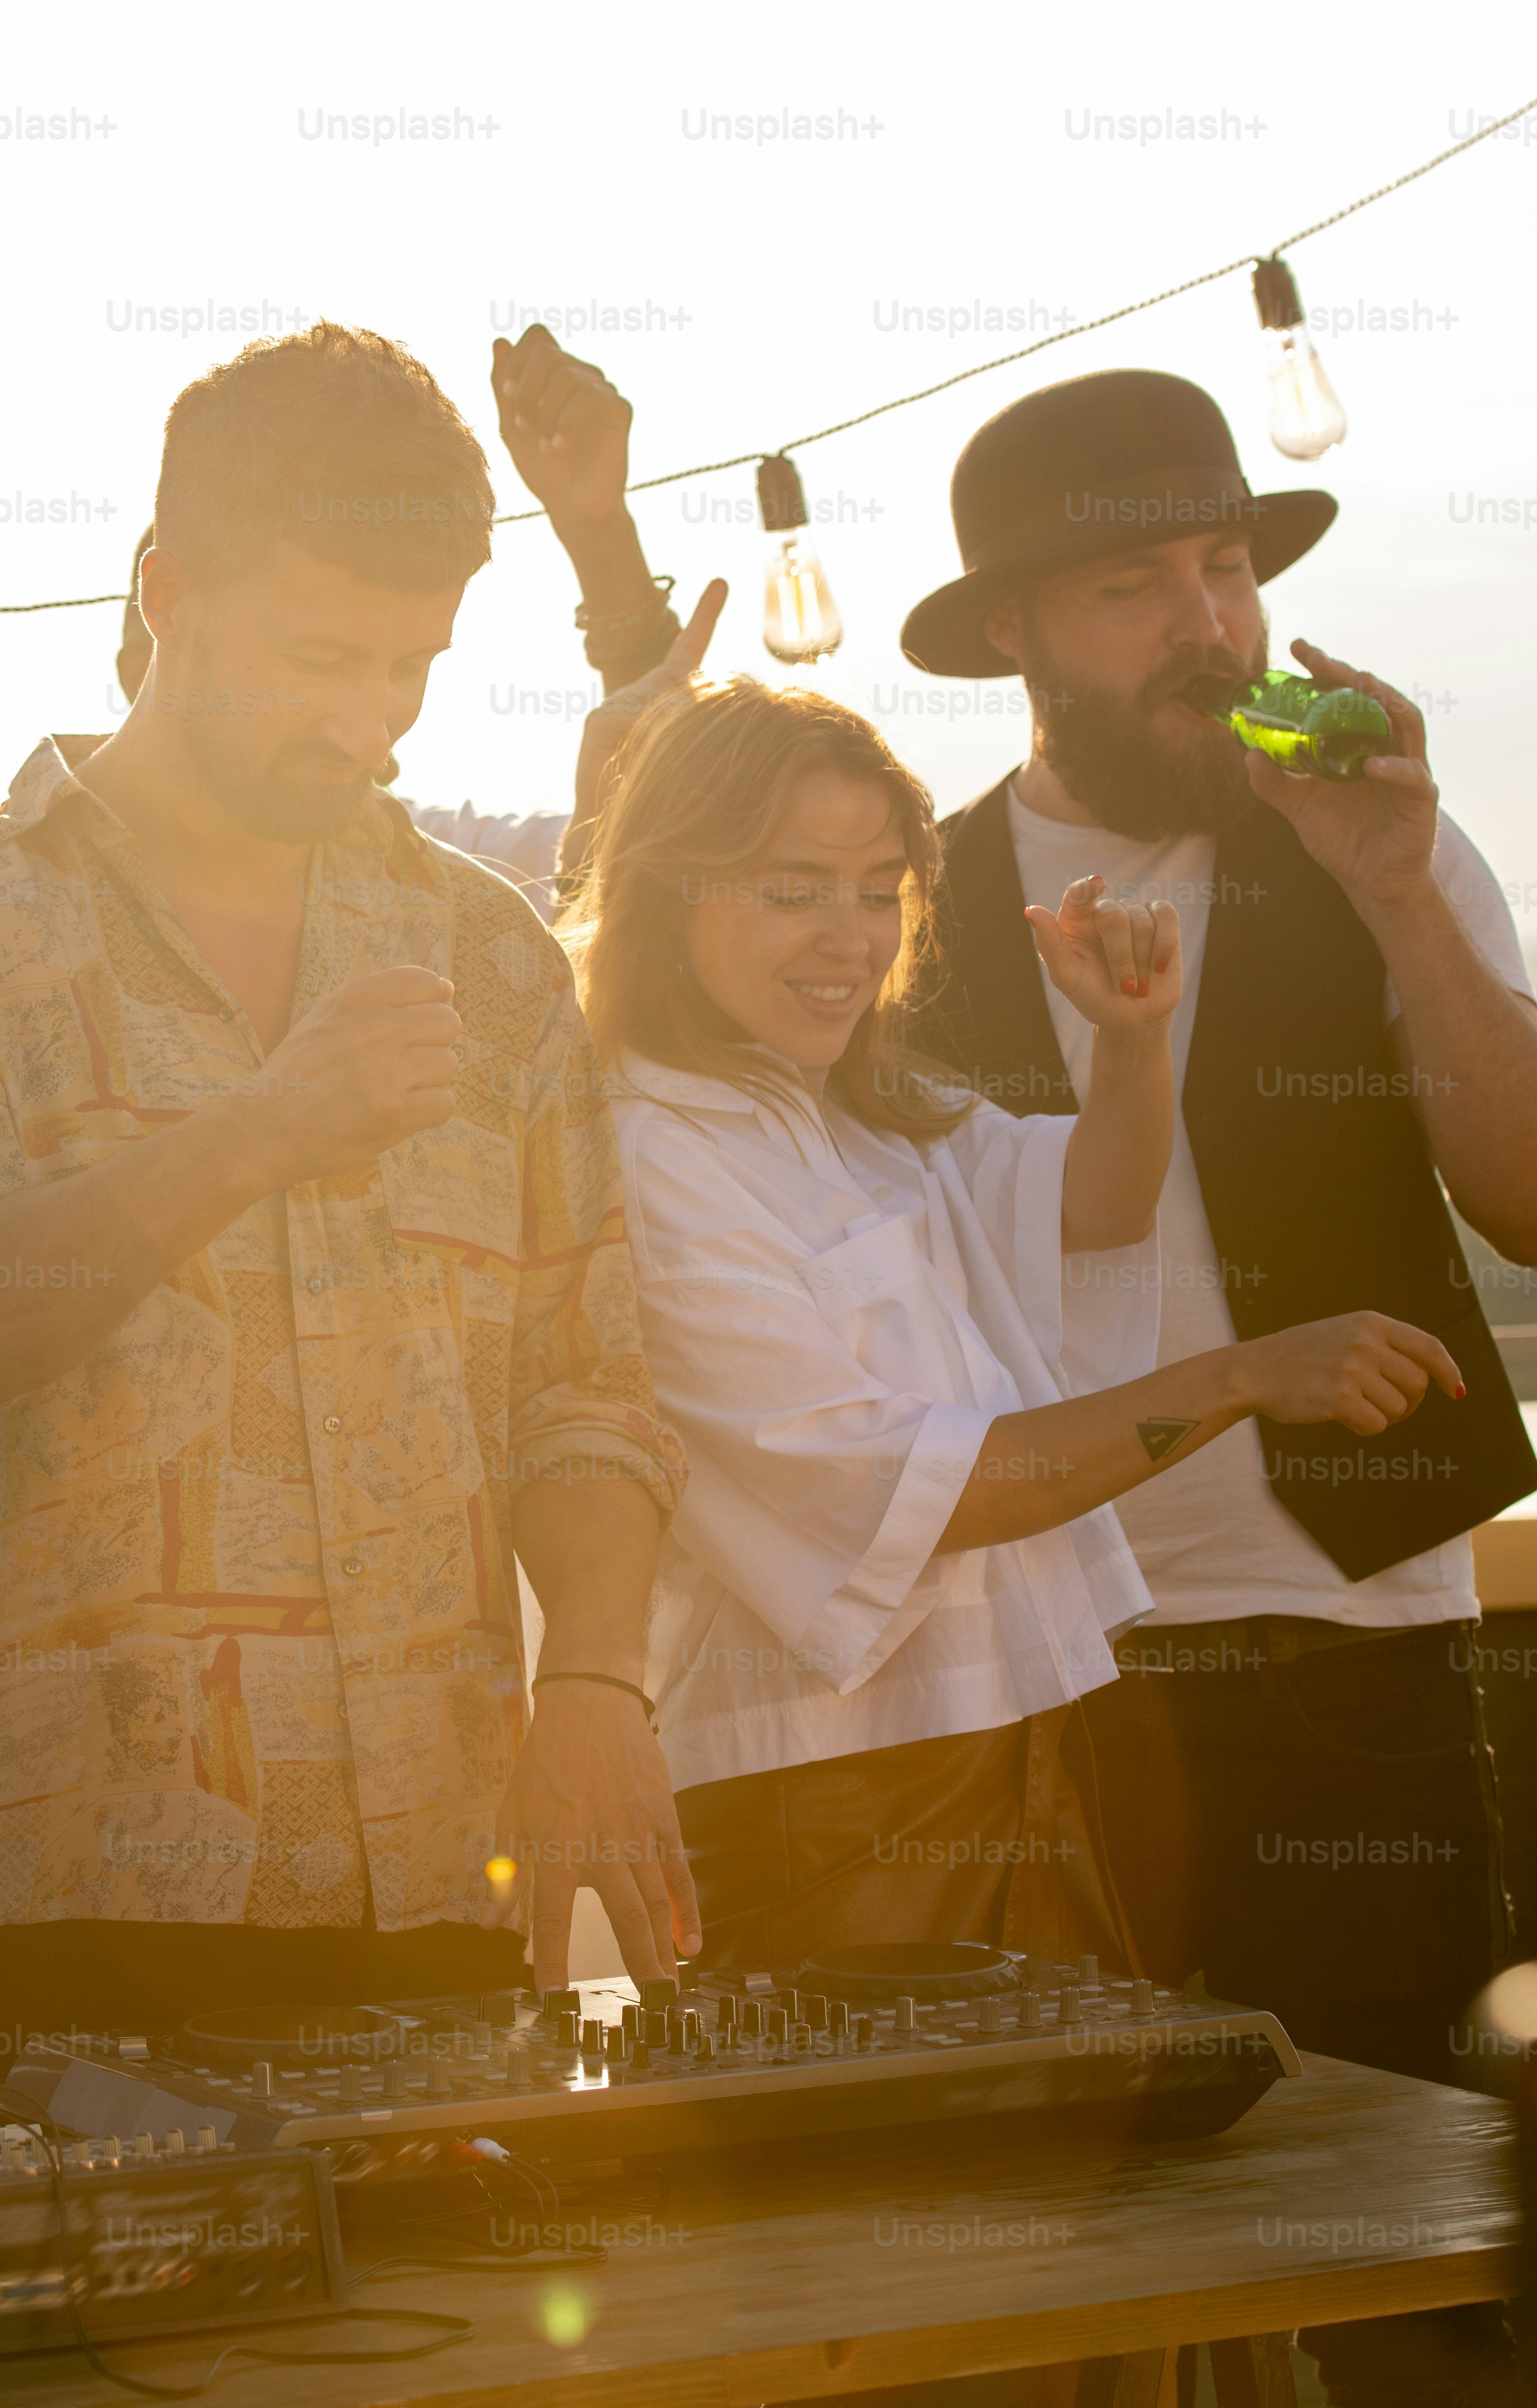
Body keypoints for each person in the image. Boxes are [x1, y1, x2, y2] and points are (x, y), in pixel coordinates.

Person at [0, 322, 690, 2112]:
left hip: (445, 1880)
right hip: (76, 1915)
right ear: (163, 591)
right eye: (317, 656)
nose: (364, 719)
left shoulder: (488, 953)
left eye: (410, 665)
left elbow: (586, 1383)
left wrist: (598, 1679)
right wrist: (261, 1125)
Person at [896, 366, 1537, 2408]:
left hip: (1353, 1633)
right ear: (1017, 632)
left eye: (1228, 570)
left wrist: (1393, 885)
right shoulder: (903, 899)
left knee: (1417, 2277)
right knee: (1044, 2291)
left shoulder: (1386, 842)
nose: (1212, 626)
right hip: (1028, 1666)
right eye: (1137, 586)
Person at [566, 677, 1465, 1980]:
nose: (848, 938)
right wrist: (1246, 1375)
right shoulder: (654, 1162)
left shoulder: (860, 1110)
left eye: (880, 889)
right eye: (792, 887)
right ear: (667, 890)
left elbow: (1096, 1205)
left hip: (1019, 1752)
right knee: (889, 2177)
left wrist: (1133, 1042)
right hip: (824, 1804)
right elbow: (934, 1492)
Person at [104, 324, 719, 922]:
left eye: (411, 666)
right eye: (318, 660)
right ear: (166, 606)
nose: (372, 741)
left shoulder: (472, 922)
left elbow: (653, 869)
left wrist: (598, 534)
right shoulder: (10, 911)